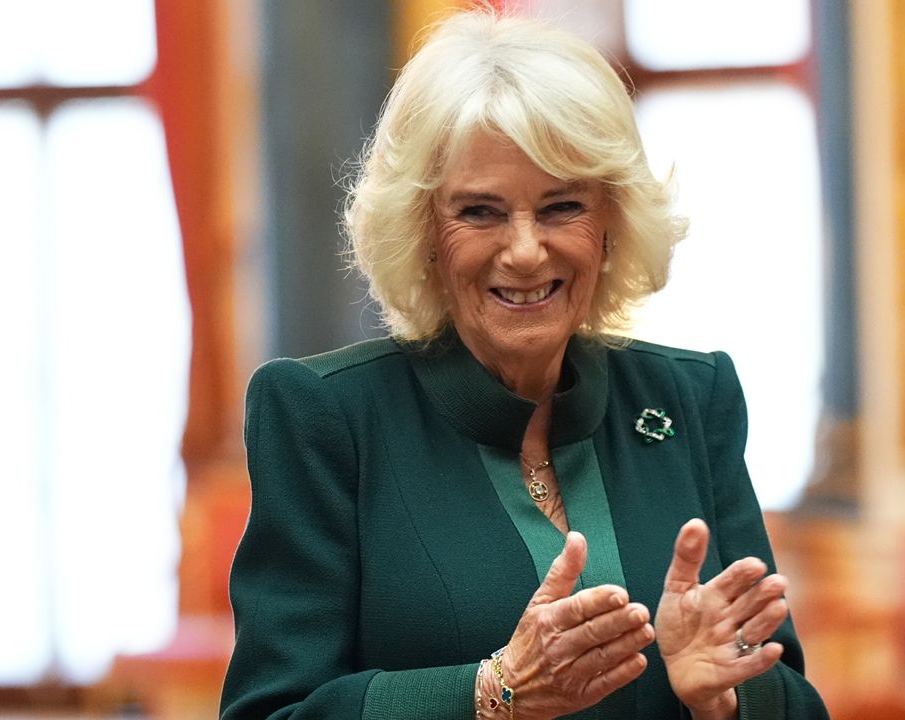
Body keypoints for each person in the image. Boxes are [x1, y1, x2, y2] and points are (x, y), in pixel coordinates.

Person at [220, 9, 828, 720]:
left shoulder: (693, 399)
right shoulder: (325, 418)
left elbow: (792, 698)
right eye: (480, 212)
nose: (526, 251)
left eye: (560, 206)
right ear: (424, 236)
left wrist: (728, 696)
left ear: (611, 225)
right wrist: (491, 692)